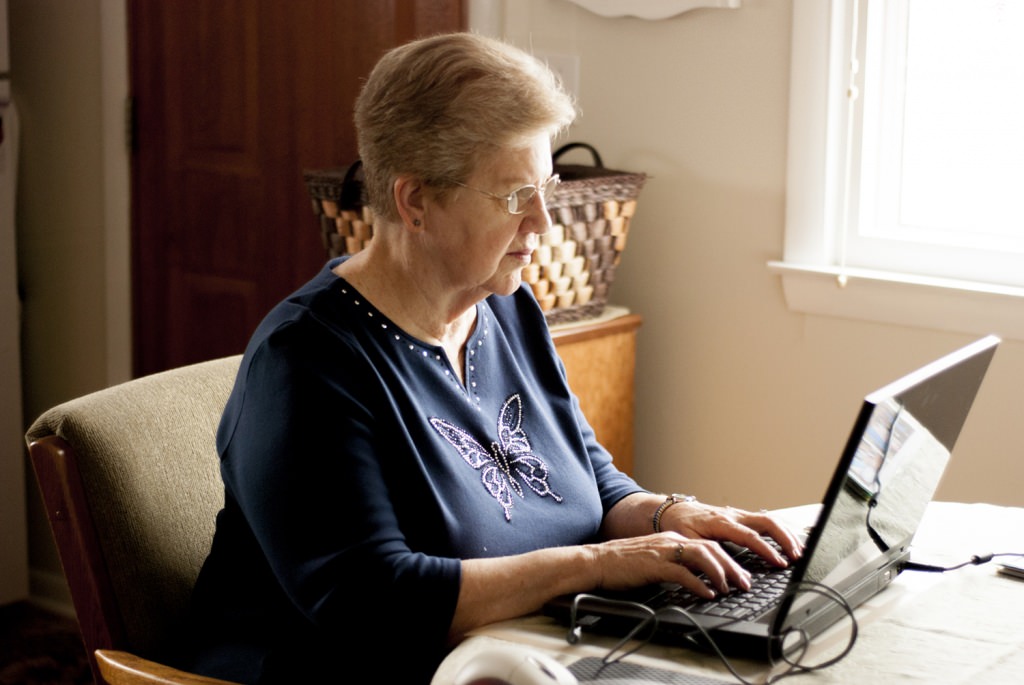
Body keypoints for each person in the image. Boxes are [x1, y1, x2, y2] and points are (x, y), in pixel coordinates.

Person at [182, 32, 803, 684]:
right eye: (513, 196)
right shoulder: (307, 360)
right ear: (415, 201)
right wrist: (596, 564)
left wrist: (667, 515)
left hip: (518, 657)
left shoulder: (506, 304)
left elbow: (582, 475)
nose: (542, 220)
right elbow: (370, 603)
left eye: (548, 186)